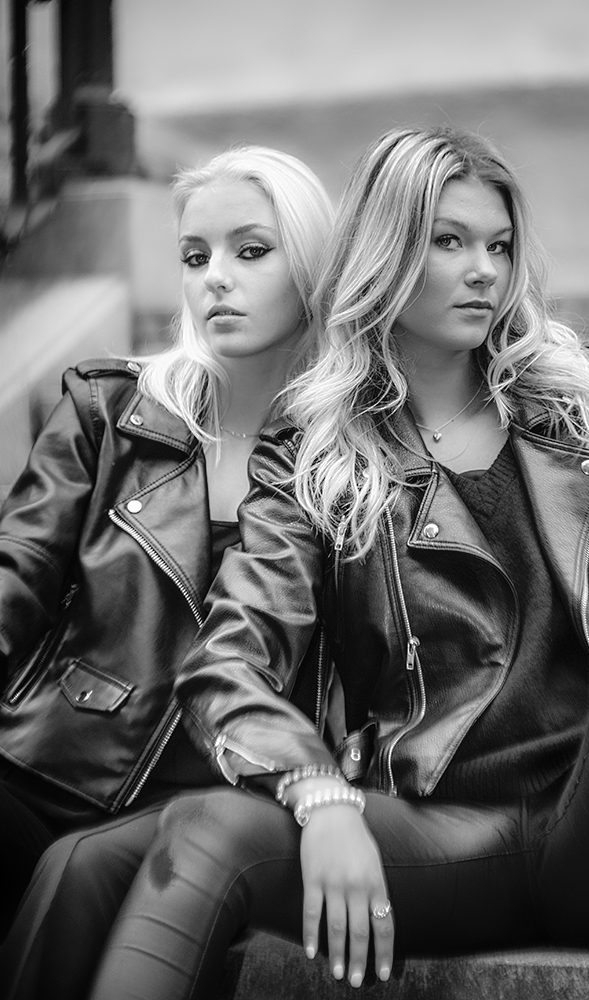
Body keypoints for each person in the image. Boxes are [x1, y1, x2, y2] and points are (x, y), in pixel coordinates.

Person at [18, 125, 589, 1000]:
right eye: (450, 241)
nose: (483, 271)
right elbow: (230, 661)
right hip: (447, 832)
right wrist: (319, 791)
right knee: (196, 832)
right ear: (387, 253)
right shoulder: (315, 456)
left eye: (500, 246)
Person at [0, 145, 333, 994]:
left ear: (315, 264)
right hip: (51, 768)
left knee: (86, 874)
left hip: (222, 801)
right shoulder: (111, 411)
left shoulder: (351, 461)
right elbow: (16, 571)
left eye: (250, 251)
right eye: (194, 256)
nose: (215, 277)